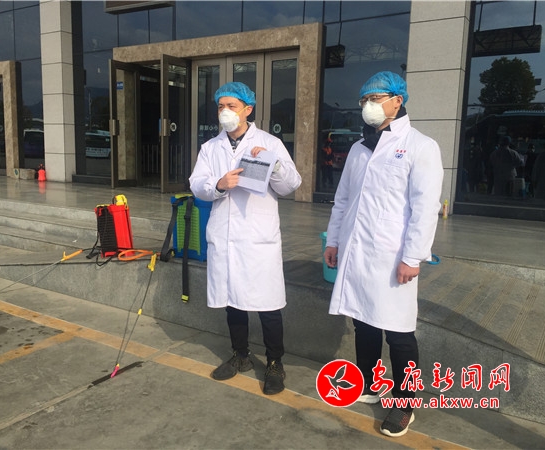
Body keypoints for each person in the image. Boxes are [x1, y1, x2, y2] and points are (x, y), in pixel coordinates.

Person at [323, 71, 443, 437]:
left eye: (376, 99)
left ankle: (405, 404)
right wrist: (333, 241)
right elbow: (343, 199)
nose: (369, 106)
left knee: (399, 332)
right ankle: (370, 383)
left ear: (397, 101)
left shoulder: (420, 146)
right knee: (363, 321)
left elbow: (425, 207)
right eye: (365, 100)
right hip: (357, 251)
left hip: (393, 257)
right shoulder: (359, 149)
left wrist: (413, 257)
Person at [189, 82, 302, 395]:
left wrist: (273, 163)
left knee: (268, 304)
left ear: (248, 110)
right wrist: (219, 184)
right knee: (233, 302)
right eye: (220, 106)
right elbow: (196, 184)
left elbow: (290, 184)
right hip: (224, 236)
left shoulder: (269, 142)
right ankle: (240, 354)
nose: (224, 112)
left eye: (232, 106)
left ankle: (275, 362)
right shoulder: (210, 148)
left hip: (257, 237)